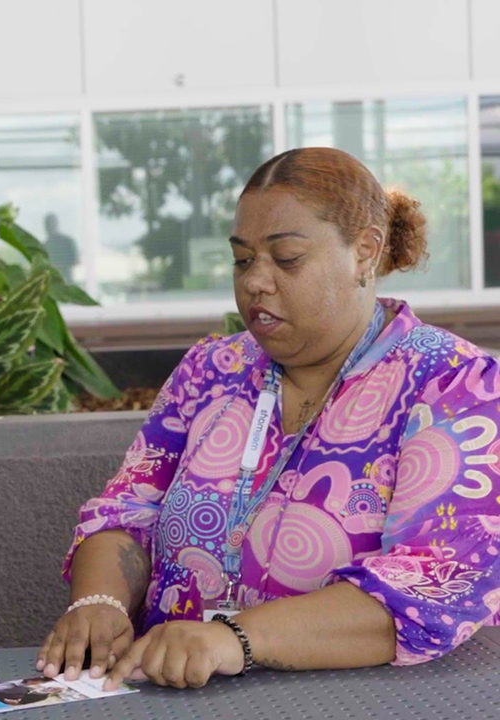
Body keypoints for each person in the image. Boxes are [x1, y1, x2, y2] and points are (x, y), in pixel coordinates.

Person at [38, 146, 500, 691]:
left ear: (365, 252)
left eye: (286, 259)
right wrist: (101, 602)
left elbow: (435, 581)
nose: (255, 281)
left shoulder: (452, 383)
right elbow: (127, 507)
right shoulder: (212, 369)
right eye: (242, 259)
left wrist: (233, 638)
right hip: (163, 695)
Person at [44, 213, 79, 281]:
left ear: (56, 224)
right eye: (47, 224)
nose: (49, 227)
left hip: (65, 280)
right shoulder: (45, 246)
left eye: (51, 223)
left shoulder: (67, 242)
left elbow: (75, 260)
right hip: (51, 282)